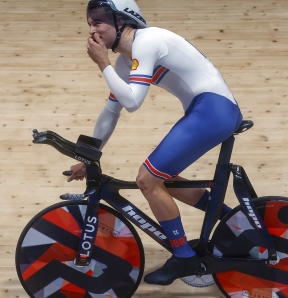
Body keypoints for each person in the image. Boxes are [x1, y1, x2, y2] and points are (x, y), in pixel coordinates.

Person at [68, 0, 243, 286]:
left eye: (98, 22)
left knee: (146, 179)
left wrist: (102, 64)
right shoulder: (127, 60)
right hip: (209, 109)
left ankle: (184, 256)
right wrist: (89, 157)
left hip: (212, 110)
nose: (92, 30)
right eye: (89, 23)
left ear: (121, 21)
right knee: (164, 177)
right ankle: (233, 222)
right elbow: (111, 111)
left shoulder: (146, 41)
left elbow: (133, 102)